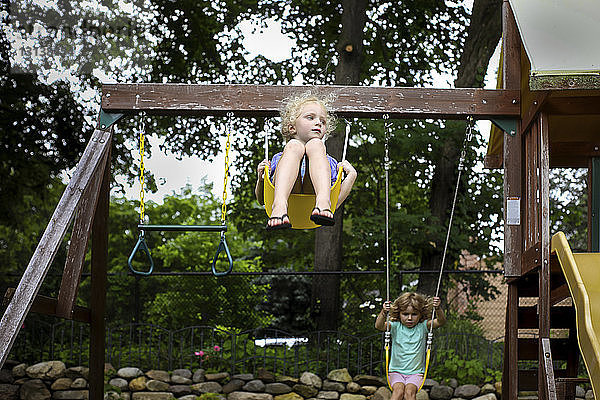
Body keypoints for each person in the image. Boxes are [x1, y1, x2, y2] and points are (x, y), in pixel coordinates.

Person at [254, 91, 357, 230]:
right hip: (284, 199)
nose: (318, 123)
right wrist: (261, 179)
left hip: (316, 199)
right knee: (294, 146)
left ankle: (322, 202)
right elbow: (262, 199)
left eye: (323, 121)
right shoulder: (280, 160)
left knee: (316, 145)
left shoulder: (328, 163)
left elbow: (335, 202)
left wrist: (351, 176)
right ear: (292, 127)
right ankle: (279, 206)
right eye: (310, 117)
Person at [375, 293, 446, 400]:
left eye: (414, 314)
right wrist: (384, 312)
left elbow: (441, 321)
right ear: (399, 313)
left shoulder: (423, 327)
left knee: (409, 393)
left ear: (420, 314)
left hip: (416, 373)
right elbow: (379, 326)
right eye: (405, 314)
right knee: (398, 392)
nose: (409, 318)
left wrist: (438, 308)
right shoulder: (395, 326)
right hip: (396, 371)